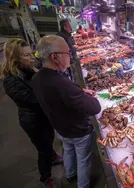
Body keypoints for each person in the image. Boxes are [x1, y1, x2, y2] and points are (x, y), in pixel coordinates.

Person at [32, 35, 101, 188]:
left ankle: (69, 174)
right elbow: (95, 108)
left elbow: (57, 96)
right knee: (83, 160)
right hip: (78, 131)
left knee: (68, 150)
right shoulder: (62, 83)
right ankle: (83, 185)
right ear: (54, 57)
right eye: (67, 53)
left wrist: (78, 92)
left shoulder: (37, 78)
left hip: (60, 128)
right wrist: (83, 95)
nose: (70, 56)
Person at [0, 38, 62, 188]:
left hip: (43, 115)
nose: (32, 58)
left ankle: (53, 157)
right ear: (15, 59)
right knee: (43, 149)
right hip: (33, 121)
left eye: (31, 53)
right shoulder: (11, 81)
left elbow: (43, 66)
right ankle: (45, 177)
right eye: (27, 56)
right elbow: (35, 100)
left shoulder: (29, 68)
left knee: (49, 138)